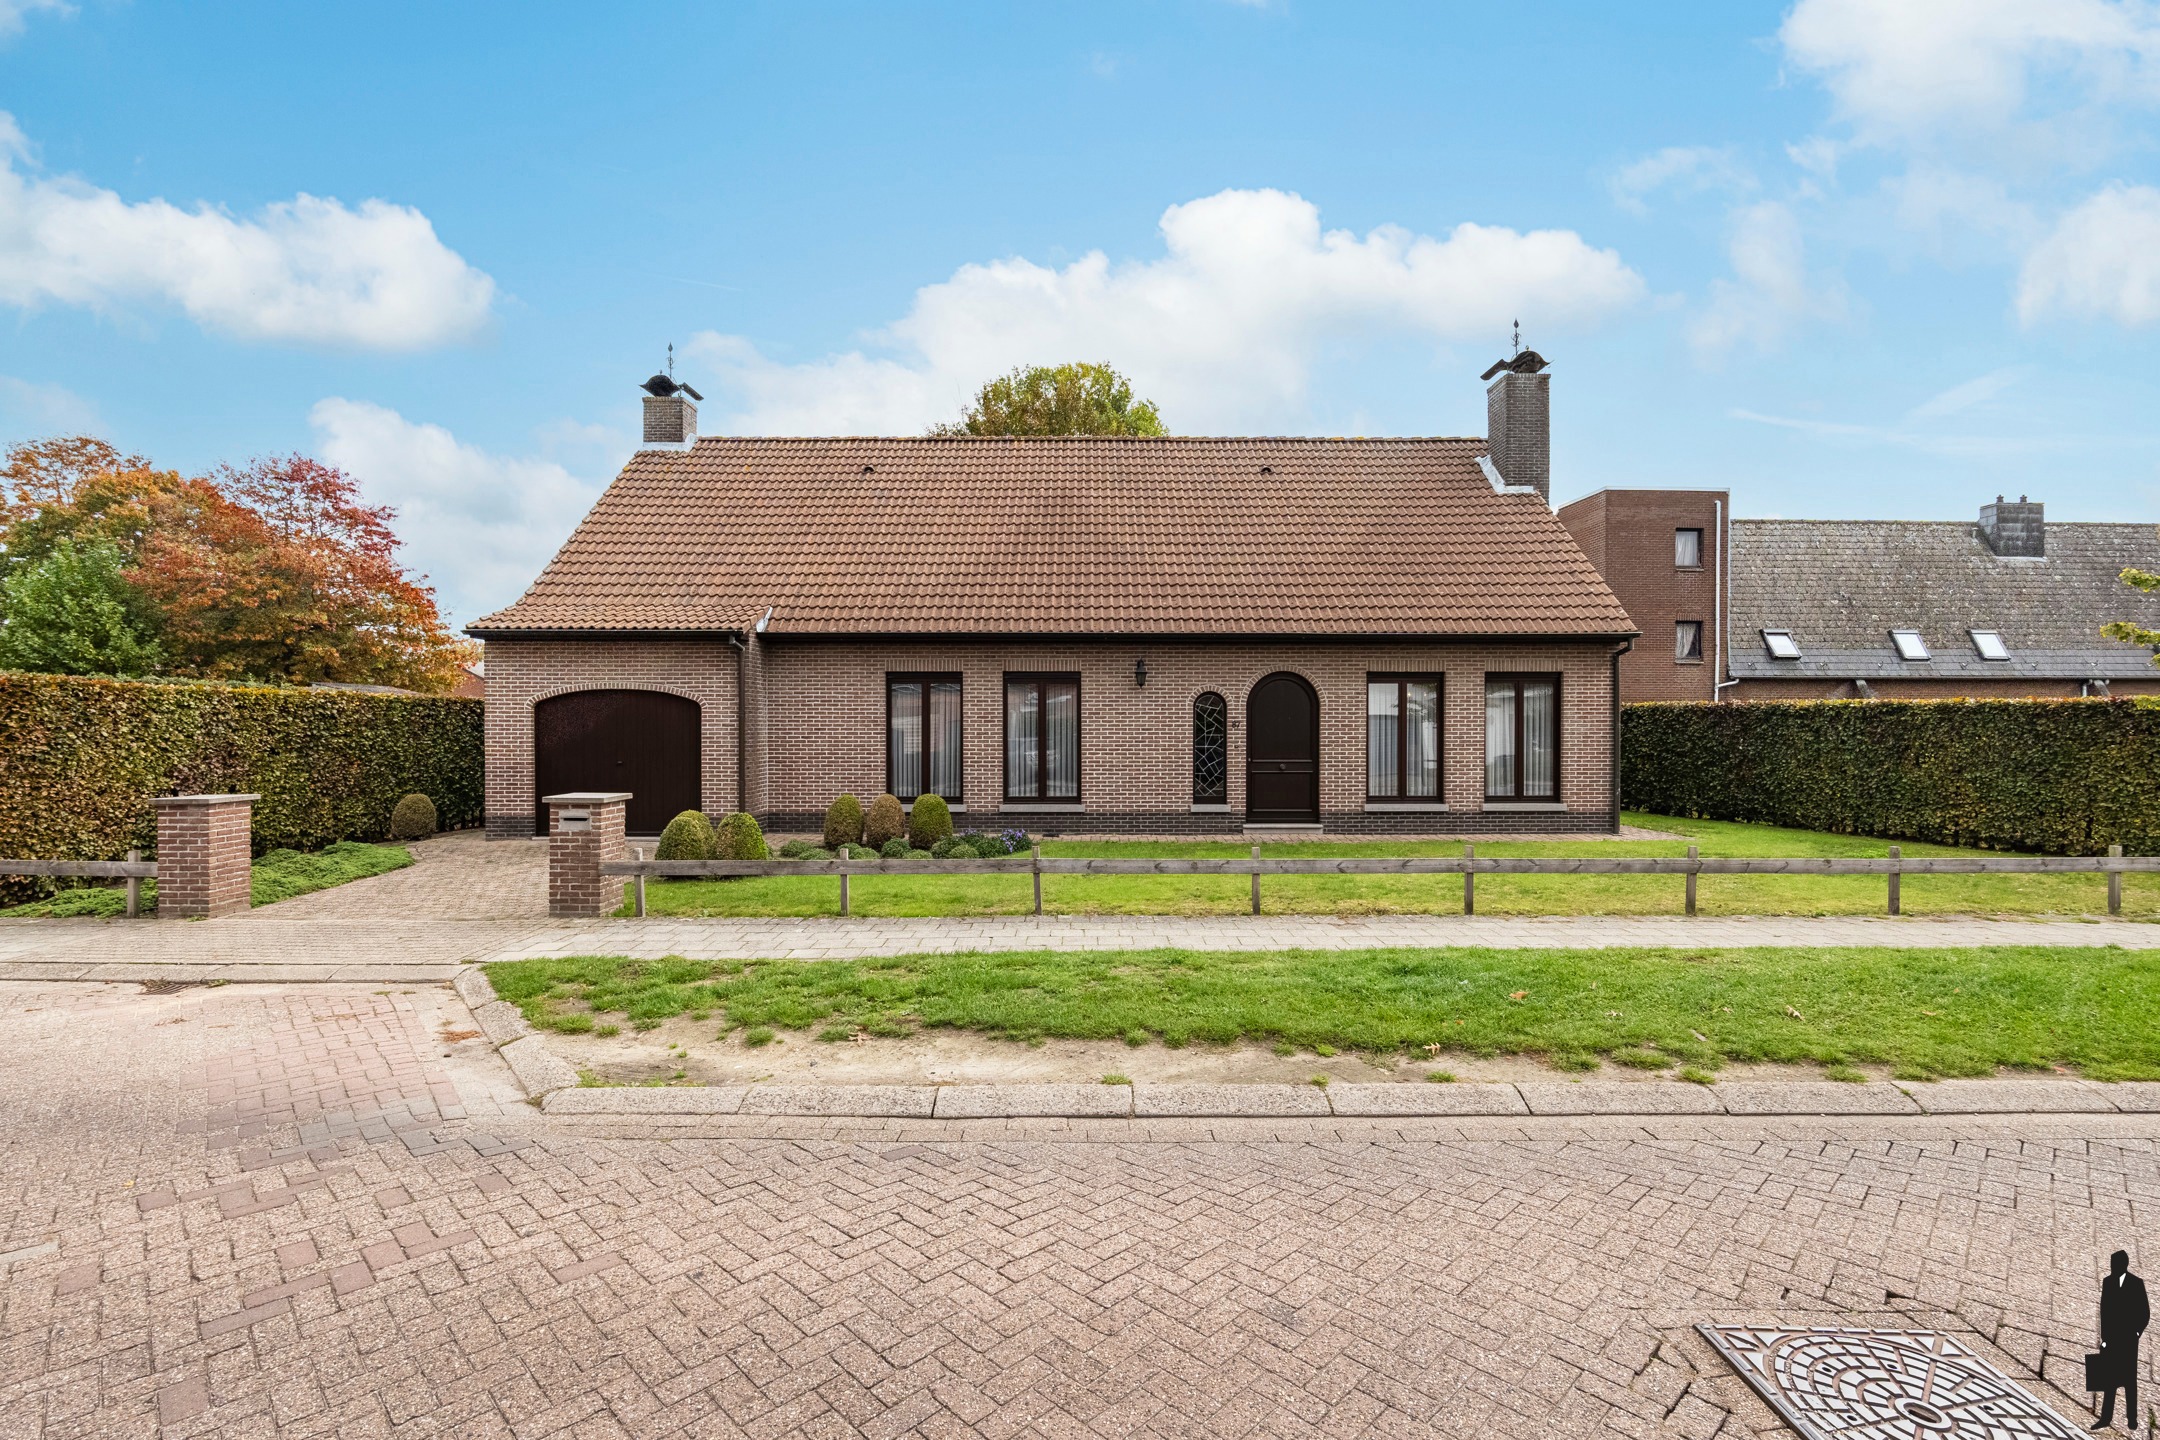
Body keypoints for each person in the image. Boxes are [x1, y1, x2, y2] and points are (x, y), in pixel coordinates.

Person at [2096, 1250, 2149, 1431]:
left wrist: (2136, 1333)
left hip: (2128, 1341)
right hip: (2112, 1340)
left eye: (2115, 1264)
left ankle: (2132, 1419)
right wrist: (2104, 1338)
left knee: (2129, 1381)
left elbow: (2145, 1312)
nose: (2112, 1267)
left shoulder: (2136, 1284)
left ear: (2123, 1265)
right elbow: (2104, 1312)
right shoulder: (2107, 1282)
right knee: (2109, 1380)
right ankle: (2105, 1418)